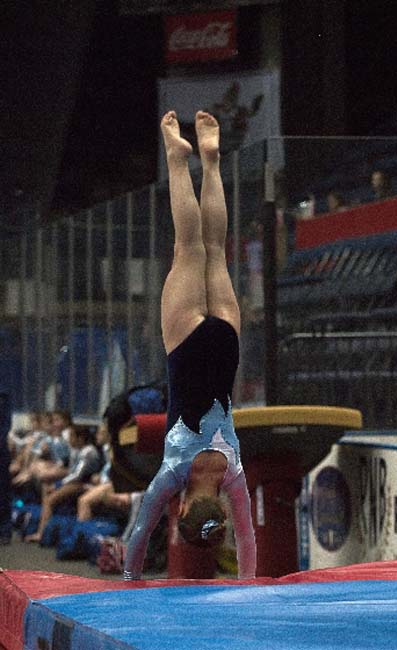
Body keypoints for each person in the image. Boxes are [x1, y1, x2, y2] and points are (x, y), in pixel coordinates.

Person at [123, 110, 256, 581]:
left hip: (224, 345)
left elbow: (247, 540)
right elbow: (139, 534)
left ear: (219, 508)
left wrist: (247, 586)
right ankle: (178, 159)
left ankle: (212, 163)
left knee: (215, 250)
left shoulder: (234, 473)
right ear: (180, 510)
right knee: (188, 247)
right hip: (187, 347)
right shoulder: (172, 473)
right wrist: (129, 582)